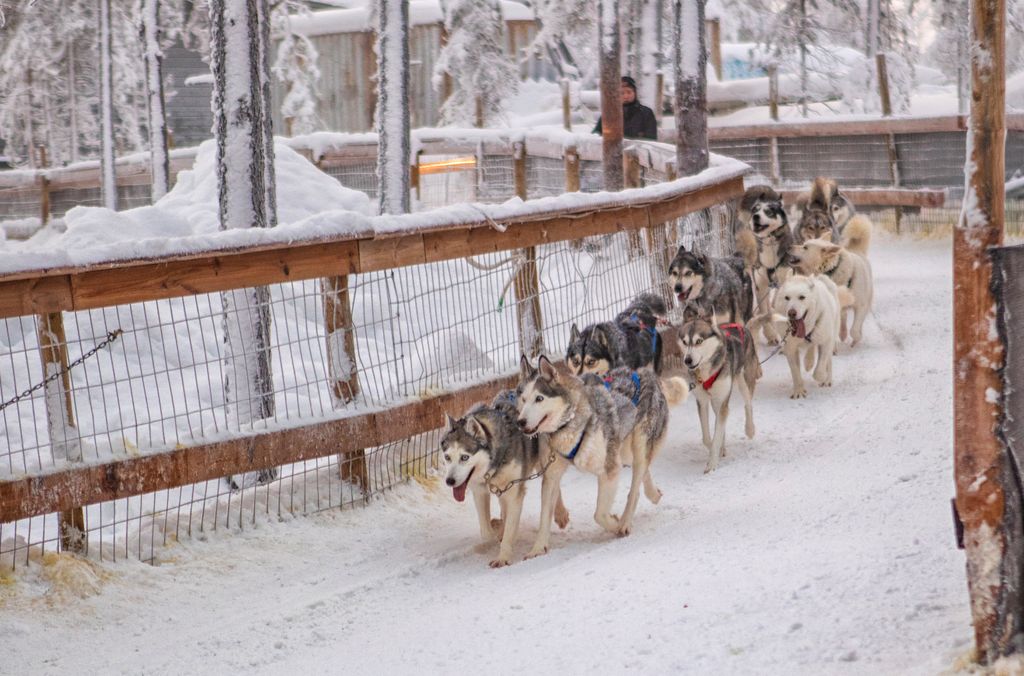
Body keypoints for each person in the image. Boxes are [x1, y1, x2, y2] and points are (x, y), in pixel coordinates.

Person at [592, 76, 658, 141]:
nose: (626, 96)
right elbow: (595, 135)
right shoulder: (609, 113)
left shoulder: (646, 113)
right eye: (622, 93)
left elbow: (651, 139)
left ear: (635, 93)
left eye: (629, 92)